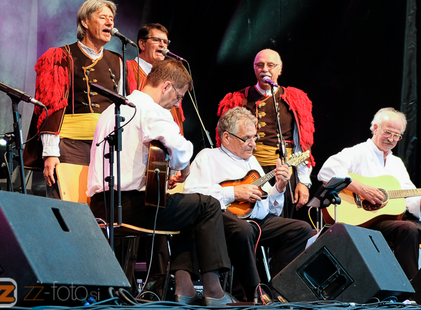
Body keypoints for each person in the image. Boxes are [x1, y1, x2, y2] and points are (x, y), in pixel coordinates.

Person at [87, 59, 235, 306]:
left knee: (190, 210)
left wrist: (154, 180)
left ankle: (185, 289)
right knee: (208, 205)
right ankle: (214, 290)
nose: (178, 103)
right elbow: (180, 150)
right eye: (179, 95)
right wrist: (184, 169)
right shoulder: (151, 110)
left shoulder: (111, 110)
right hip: (130, 207)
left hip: (101, 205)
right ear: (166, 86)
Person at [183, 107, 315, 301]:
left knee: (301, 229)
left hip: (257, 221)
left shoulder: (252, 161)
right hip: (223, 222)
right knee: (244, 230)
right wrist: (233, 192)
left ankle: (279, 289)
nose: (253, 144)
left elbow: (271, 207)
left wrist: (279, 187)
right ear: (226, 137)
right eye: (247, 138)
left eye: (255, 137)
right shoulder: (208, 157)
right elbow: (192, 194)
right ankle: (253, 293)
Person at [318, 107, 421, 281]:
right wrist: (362, 189)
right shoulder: (357, 152)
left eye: (396, 135)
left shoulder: (396, 163)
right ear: (375, 128)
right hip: (365, 223)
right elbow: (327, 172)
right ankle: (410, 293)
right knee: (408, 229)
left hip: (395, 222)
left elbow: (411, 201)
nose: (391, 139)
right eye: (388, 132)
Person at [23, 0, 123, 197]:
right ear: (85, 22)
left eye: (111, 18)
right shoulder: (59, 56)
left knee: (100, 208)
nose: (110, 23)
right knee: (71, 205)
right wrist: (50, 153)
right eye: (103, 17)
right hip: (70, 144)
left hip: (106, 148)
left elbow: (122, 107)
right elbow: (50, 107)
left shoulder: (118, 61)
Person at [218, 49, 314, 216]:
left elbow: (302, 145)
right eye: (260, 65)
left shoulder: (295, 99)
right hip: (246, 171)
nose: (265, 69)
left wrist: (304, 182)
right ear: (254, 68)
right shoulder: (238, 99)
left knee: (281, 223)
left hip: (284, 171)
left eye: (271, 65)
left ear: (280, 68)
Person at [125, 23, 185, 134]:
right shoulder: (127, 68)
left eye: (165, 42)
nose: (162, 45)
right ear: (142, 44)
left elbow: (176, 117)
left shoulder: (171, 78)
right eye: (157, 40)